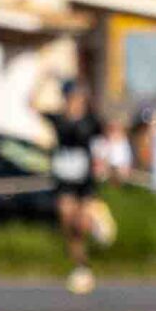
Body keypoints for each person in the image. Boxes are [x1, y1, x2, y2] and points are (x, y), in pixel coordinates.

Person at [43, 79, 101, 293]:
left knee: (82, 224)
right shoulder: (58, 119)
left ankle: (96, 225)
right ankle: (81, 266)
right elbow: (31, 104)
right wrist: (42, 78)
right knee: (69, 222)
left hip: (84, 181)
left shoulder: (91, 121)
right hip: (65, 179)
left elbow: (103, 141)